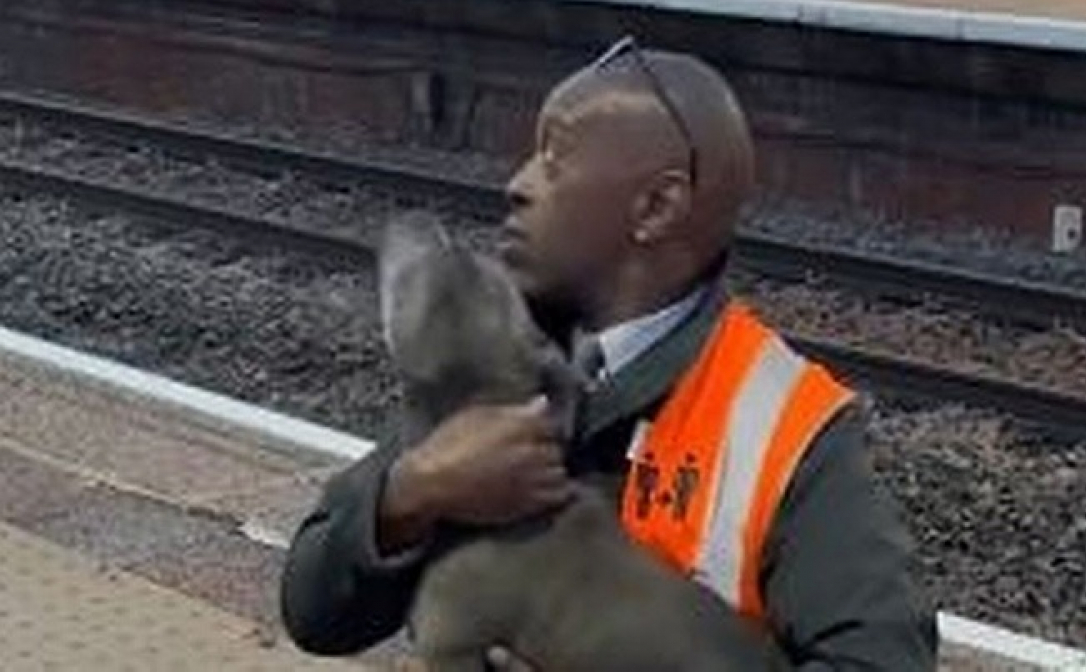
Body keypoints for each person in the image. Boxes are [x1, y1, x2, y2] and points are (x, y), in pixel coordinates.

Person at [280, 36, 938, 670]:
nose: (517, 183)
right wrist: (412, 493)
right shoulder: (496, 356)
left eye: (553, 159)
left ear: (656, 206)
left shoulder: (782, 424)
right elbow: (314, 610)